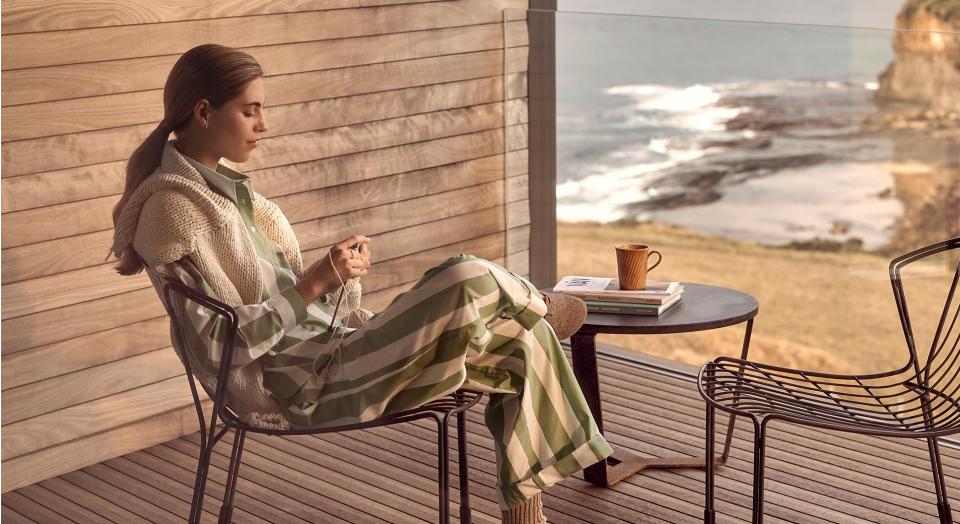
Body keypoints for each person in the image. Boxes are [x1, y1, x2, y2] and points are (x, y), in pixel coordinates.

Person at [107, 43, 613, 523]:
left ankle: (525, 517)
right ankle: (539, 302)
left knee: (524, 340)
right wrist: (314, 282)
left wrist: (335, 277)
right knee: (464, 276)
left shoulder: (233, 199)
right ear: (203, 112)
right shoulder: (175, 213)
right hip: (300, 384)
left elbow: (297, 307)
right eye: (250, 110)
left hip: (338, 351)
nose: (265, 124)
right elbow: (222, 348)